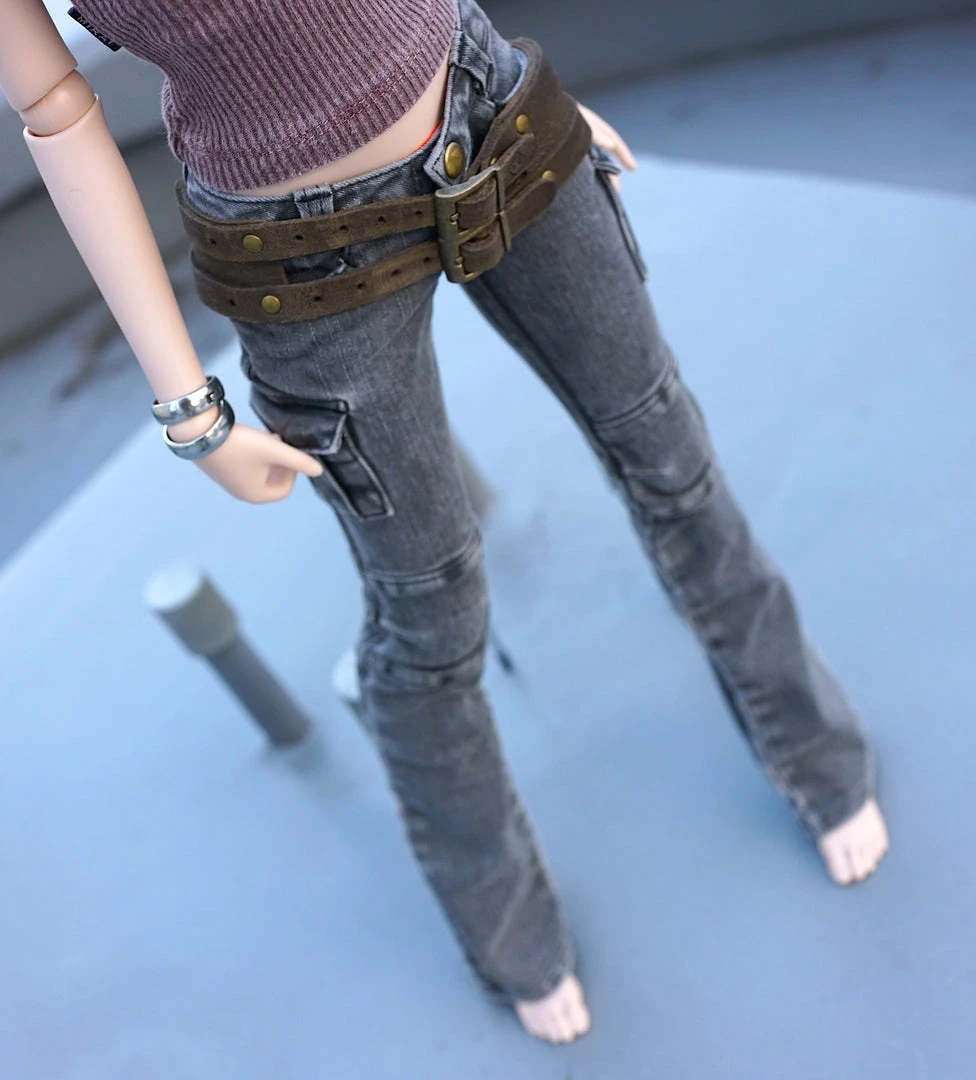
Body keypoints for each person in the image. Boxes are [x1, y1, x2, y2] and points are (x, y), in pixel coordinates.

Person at [0, 0, 890, 1046]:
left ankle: (816, 751)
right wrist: (190, 410)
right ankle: (507, 927)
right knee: (428, 606)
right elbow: (54, 108)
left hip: (487, 107)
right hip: (302, 252)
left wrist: (532, 95)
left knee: (668, 451)